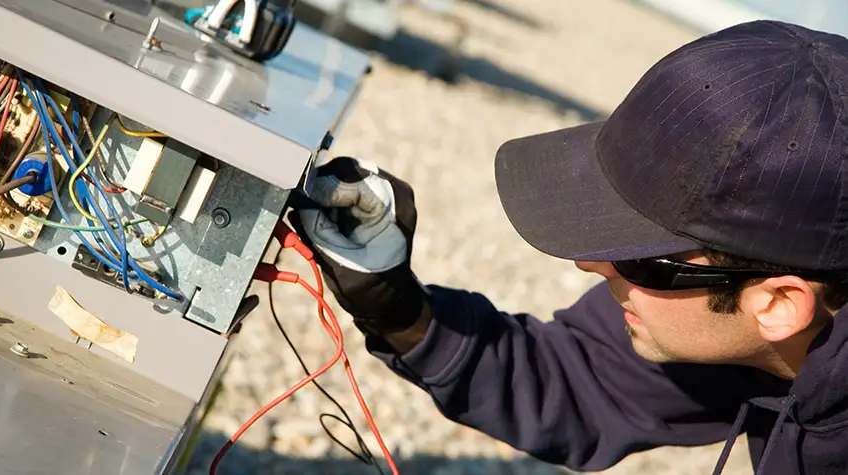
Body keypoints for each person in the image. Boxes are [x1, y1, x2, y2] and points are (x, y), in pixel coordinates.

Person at [288, 20, 848, 475]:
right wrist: (399, 309)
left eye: (638, 255)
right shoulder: (740, 312)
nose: (589, 262)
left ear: (777, 303)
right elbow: (580, 381)